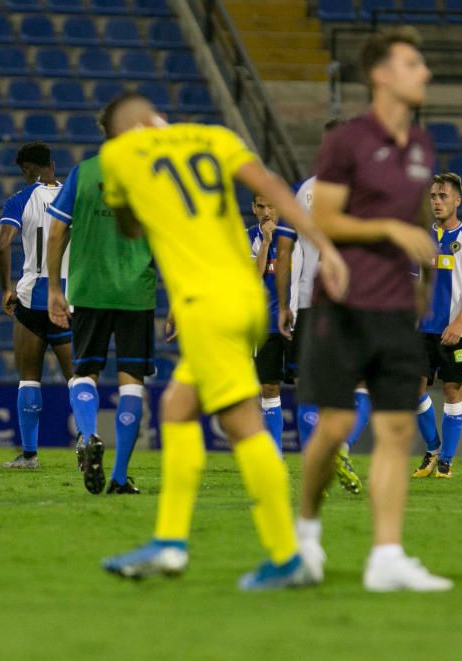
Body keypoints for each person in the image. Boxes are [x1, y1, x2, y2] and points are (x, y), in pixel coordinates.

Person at [95, 92, 348, 589]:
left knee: (243, 425)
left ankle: (287, 554)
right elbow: (272, 186)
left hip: (206, 306)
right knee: (177, 407)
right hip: (245, 298)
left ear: (123, 131)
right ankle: (169, 542)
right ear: (158, 118)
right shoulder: (215, 138)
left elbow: (128, 228)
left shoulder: (119, 155)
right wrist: (322, 245)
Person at [296, 27, 453, 591]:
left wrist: (424, 280)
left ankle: (386, 555)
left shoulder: (421, 146)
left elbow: (414, 220)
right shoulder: (347, 142)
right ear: (382, 75)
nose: (426, 74)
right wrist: (387, 227)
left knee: (393, 429)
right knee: (334, 424)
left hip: (394, 308)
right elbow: (326, 221)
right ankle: (306, 538)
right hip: (340, 305)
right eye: (415, 64)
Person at [46, 129, 159, 496]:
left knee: (84, 372)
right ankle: (120, 476)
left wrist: (53, 288)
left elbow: (56, 231)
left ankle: (90, 433)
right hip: (135, 292)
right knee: (131, 381)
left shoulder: (83, 172)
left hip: (89, 288)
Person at [275, 123, 366, 496]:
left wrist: (284, 304)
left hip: (311, 301)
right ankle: (340, 448)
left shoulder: (304, 192)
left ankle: (318, 460)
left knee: (307, 386)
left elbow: (283, 251)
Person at [0, 142, 73, 469]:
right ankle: (87, 449)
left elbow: (2, 245)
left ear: (26, 169)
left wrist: (4, 289)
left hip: (31, 299)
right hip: (69, 300)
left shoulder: (20, 199)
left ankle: (29, 455)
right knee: (79, 380)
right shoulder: (75, 197)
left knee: (29, 378)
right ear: (52, 164)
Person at [413, 172, 462, 479]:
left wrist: (459, 321)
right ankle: (432, 449)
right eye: (433, 196)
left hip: (455, 330)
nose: (437, 201)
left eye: (443, 196)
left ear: (457, 200)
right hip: (421, 329)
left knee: (452, 390)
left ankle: (446, 460)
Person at [247, 194, 296, 450]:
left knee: (305, 385)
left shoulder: (295, 236)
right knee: (268, 387)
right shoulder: (247, 238)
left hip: (295, 322)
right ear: (254, 208)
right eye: (261, 206)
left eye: (272, 205)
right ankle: (275, 454)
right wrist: (265, 243)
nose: (267, 212)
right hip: (265, 324)